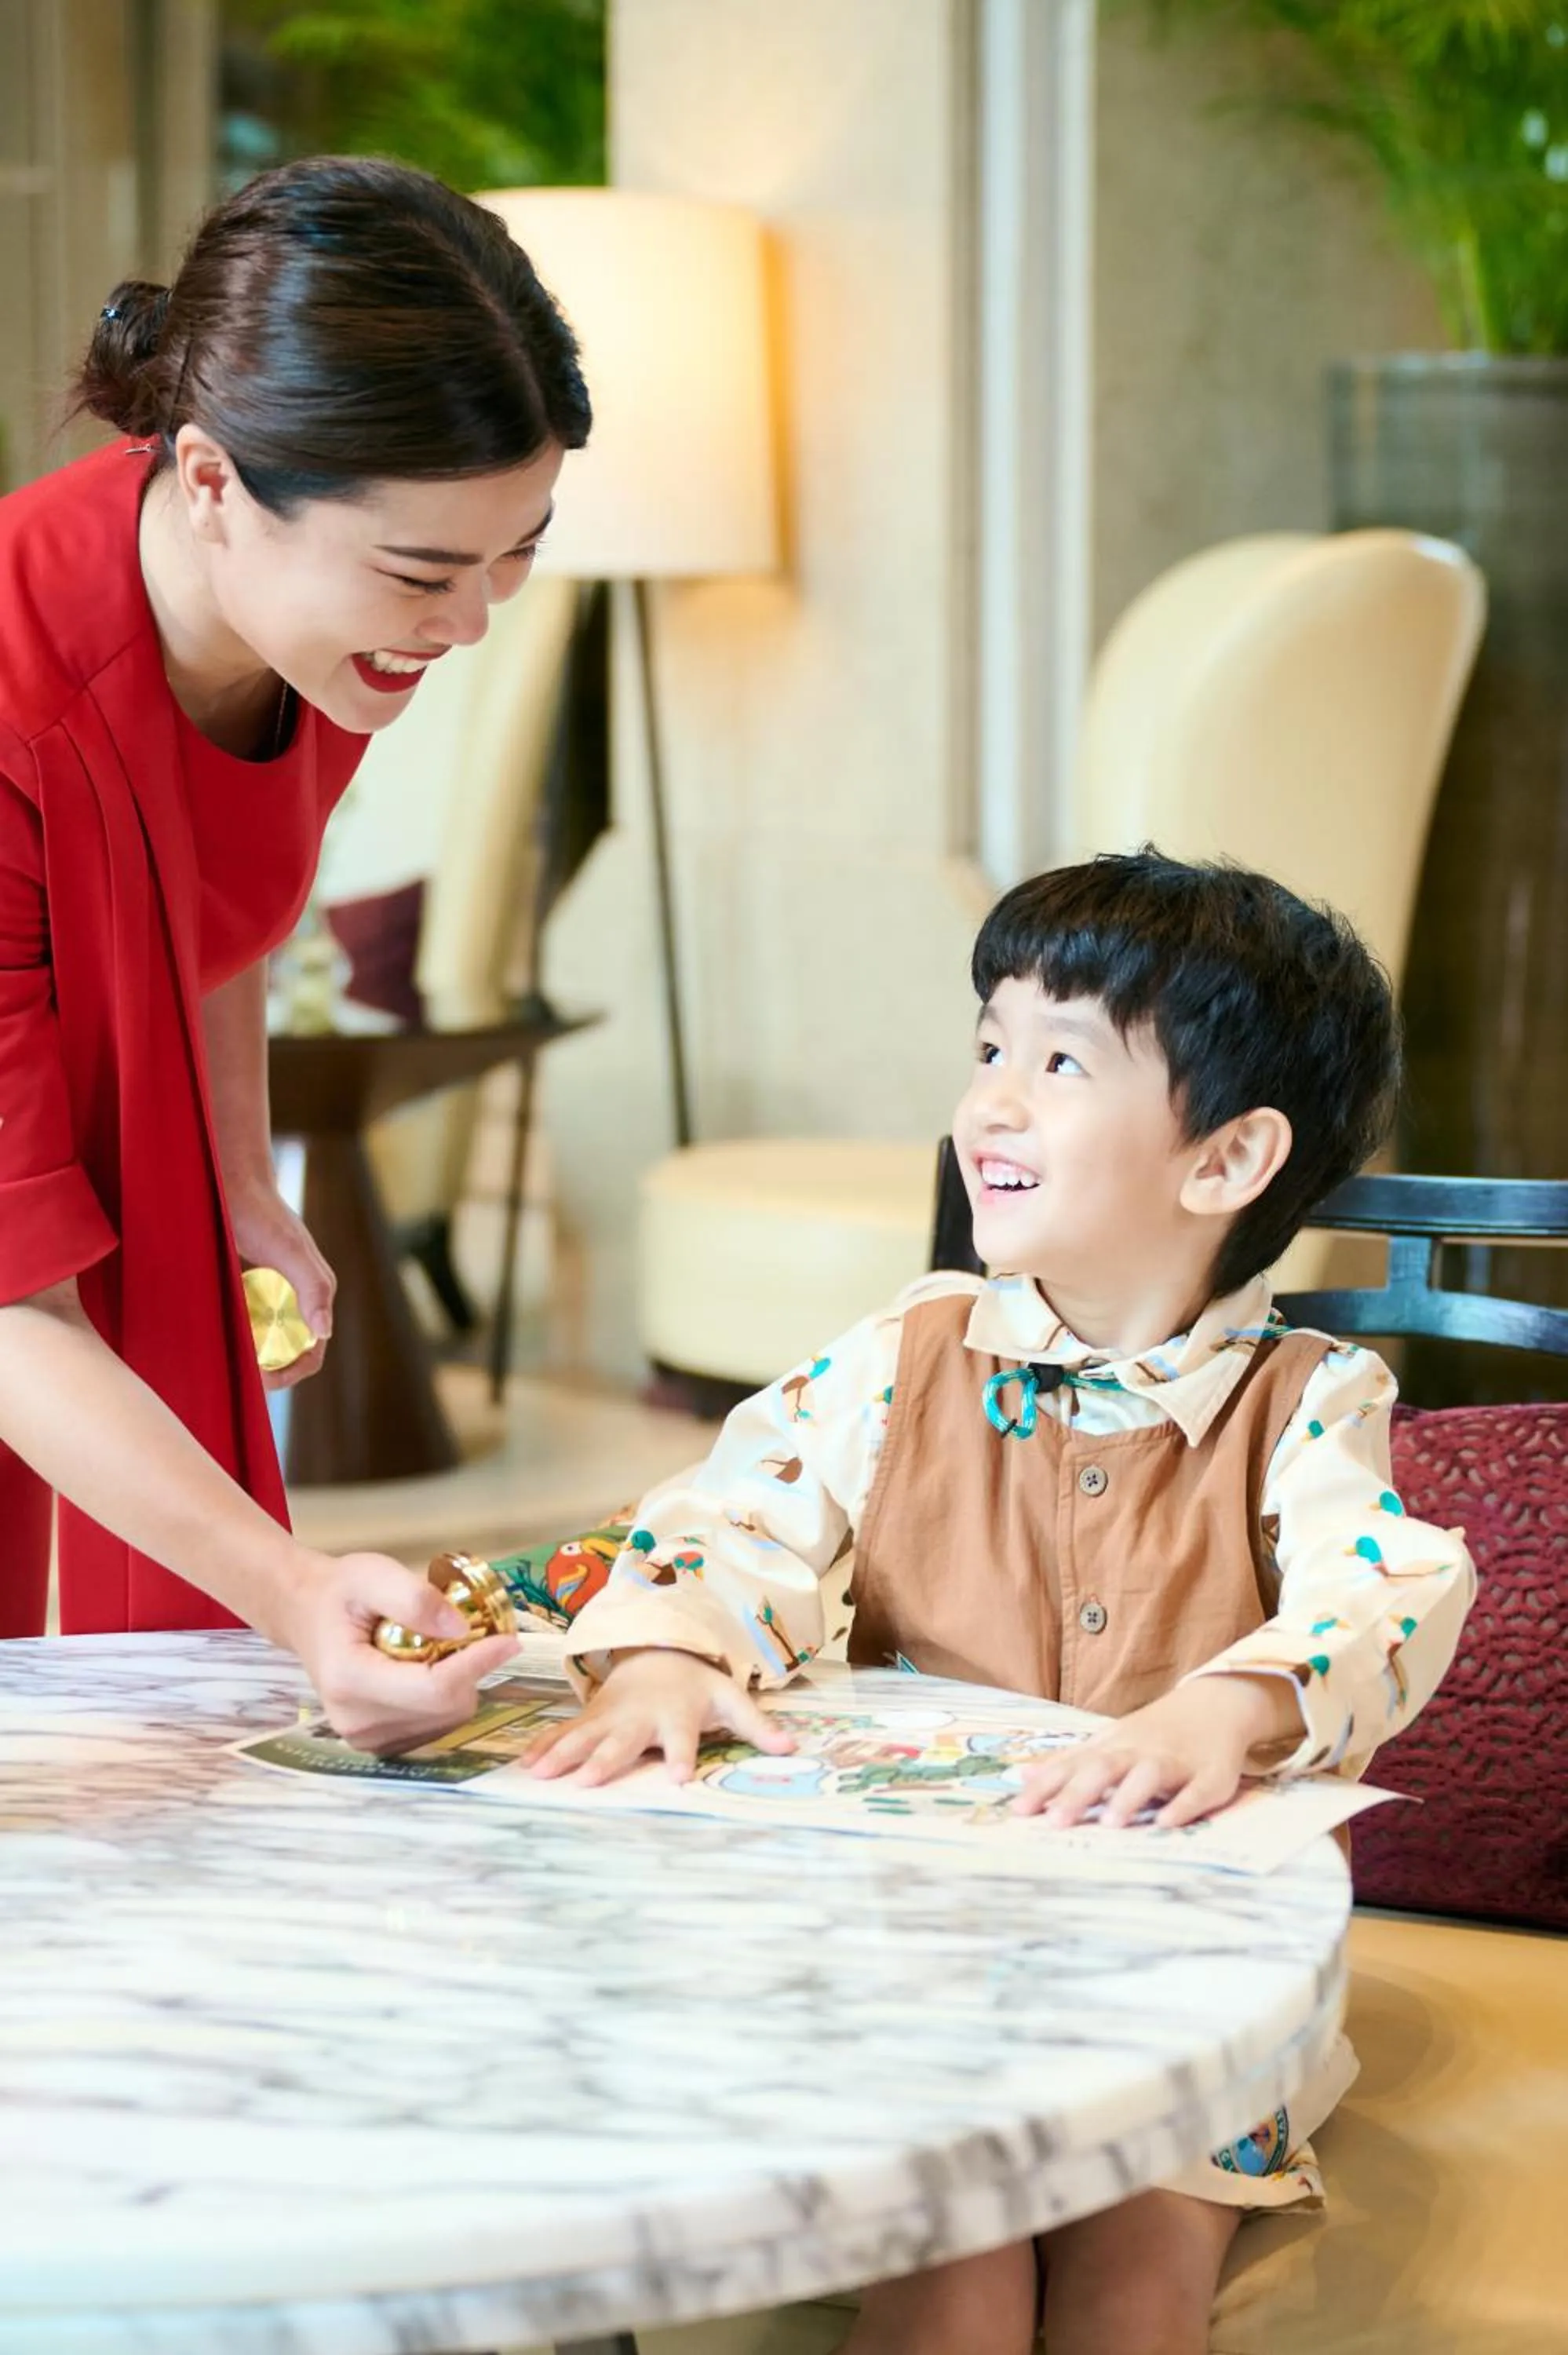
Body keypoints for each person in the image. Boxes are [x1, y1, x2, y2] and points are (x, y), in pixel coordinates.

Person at [528, 851, 1476, 2355]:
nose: (990, 1101)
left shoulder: (1308, 1397)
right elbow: (725, 1522)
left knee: (1132, 2274)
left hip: (1188, 1969)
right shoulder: (903, 1351)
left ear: (1223, 1163)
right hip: (922, 1950)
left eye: (1058, 1062)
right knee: (949, 2258)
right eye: (986, 1046)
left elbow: (1398, 1582)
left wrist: (1227, 1705)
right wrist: (658, 1653)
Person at [0, 155, 589, 1750]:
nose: (469, 624)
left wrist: (238, 1168)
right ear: (208, 480)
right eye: (422, 570)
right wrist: (288, 1583)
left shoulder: (307, 634)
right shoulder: (17, 699)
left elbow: (208, 900)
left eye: (512, 553)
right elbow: (12, 1313)